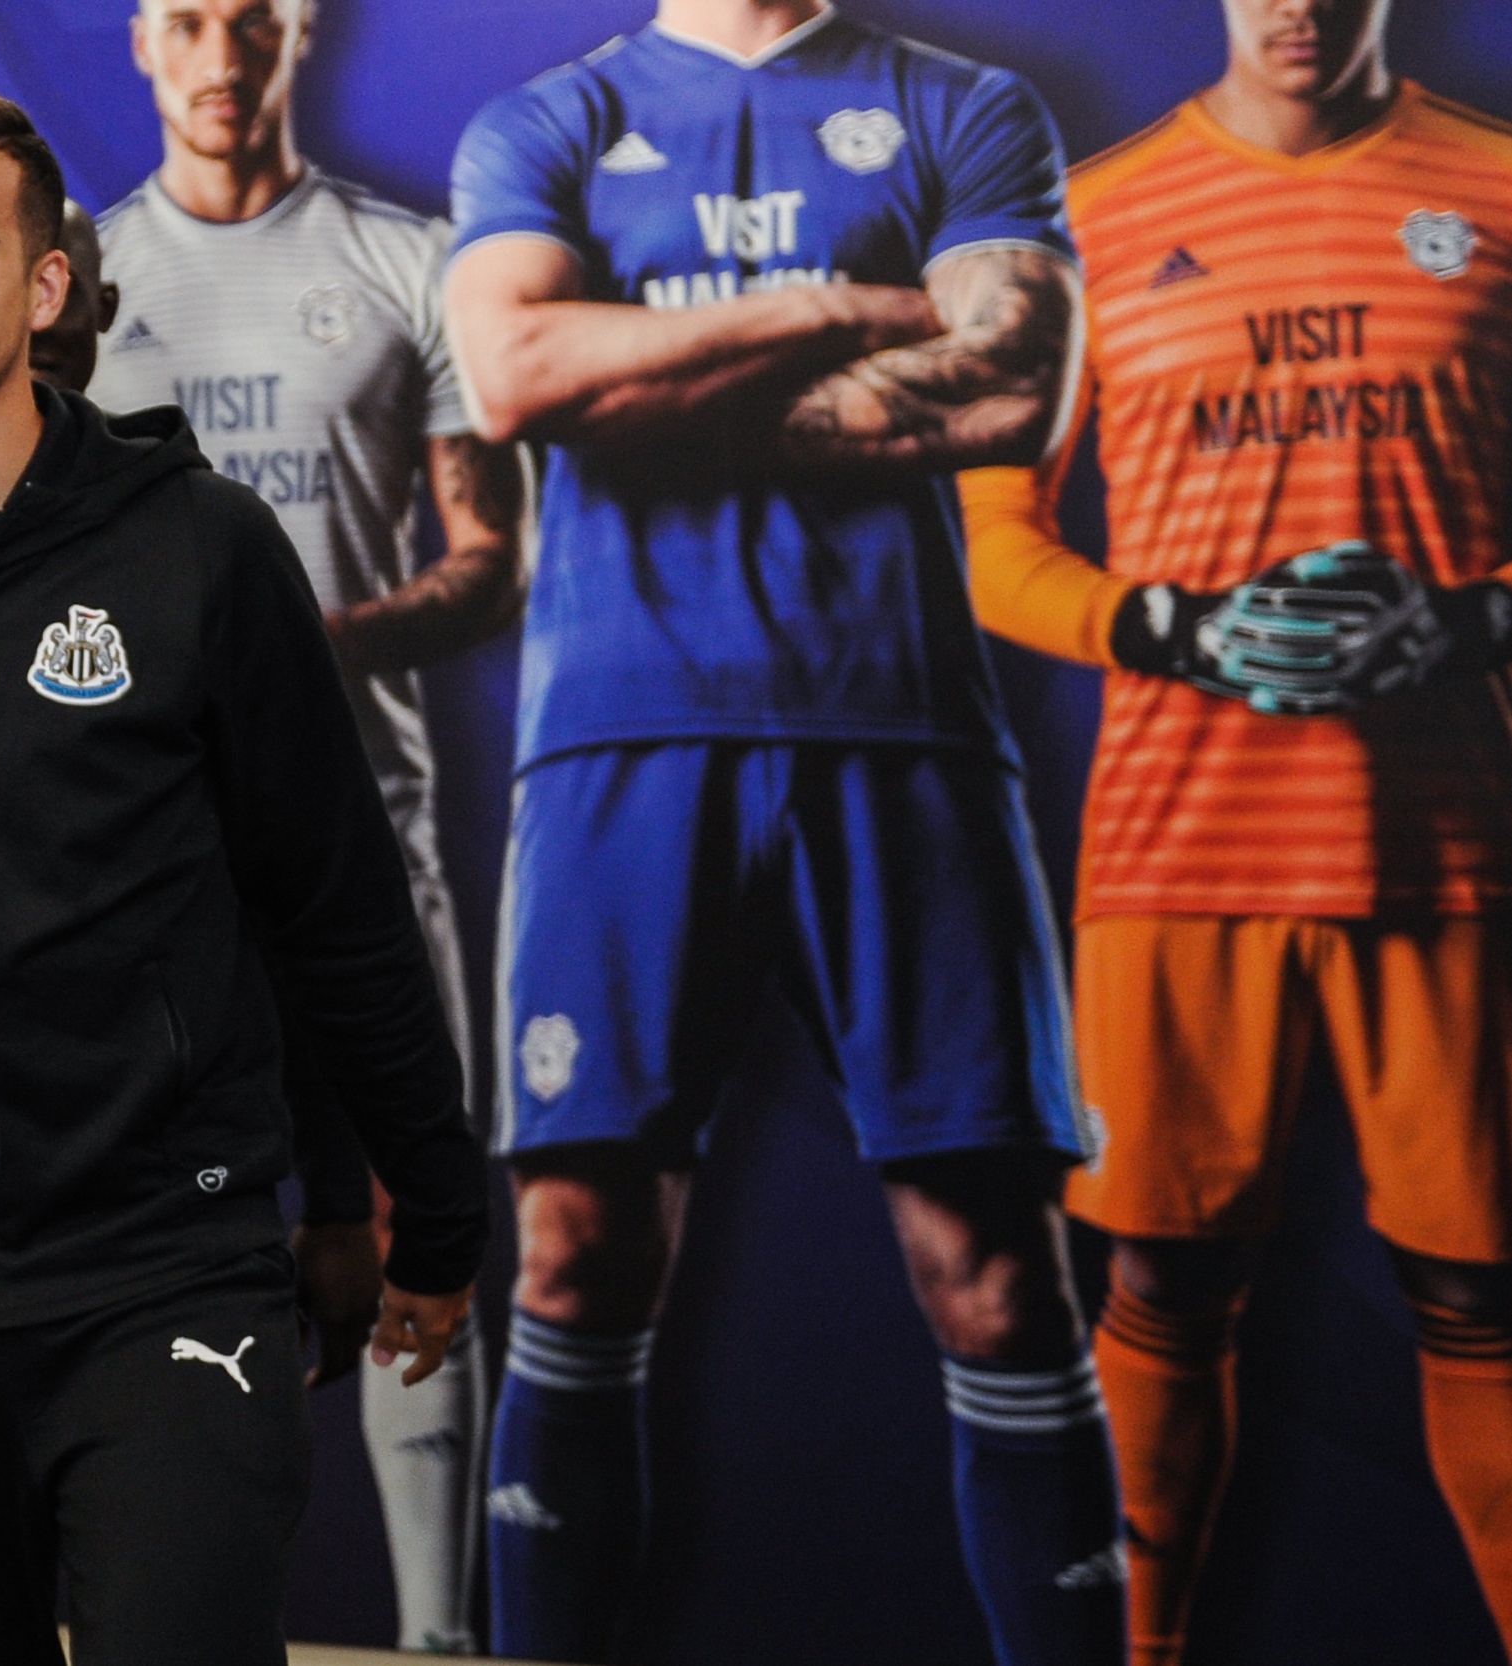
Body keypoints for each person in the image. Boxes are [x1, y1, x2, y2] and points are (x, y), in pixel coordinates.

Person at [444, 1, 1124, 1661]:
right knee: (573, 1255)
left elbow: (1013, 395)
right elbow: (517, 373)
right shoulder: (542, 122)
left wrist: (653, 377)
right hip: (620, 732)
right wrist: (843, 305)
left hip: (901, 729)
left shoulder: (966, 108)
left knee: (999, 1272)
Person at [0, 83, 488, 1666]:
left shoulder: (194, 548)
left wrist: (427, 1209)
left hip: (157, 1269)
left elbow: (328, 905)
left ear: (46, 286)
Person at [958, 0, 1512, 1655]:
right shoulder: (1090, 217)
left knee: (1481, 1299)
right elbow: (988, 539)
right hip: (1175, 846)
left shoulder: (1493, 192)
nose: (1295, 5)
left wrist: (1470, 625)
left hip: (1448, 848)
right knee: (1163, 1284)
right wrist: (1176, 631)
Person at [89, 3, 532, 1646]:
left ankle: (430, 1634)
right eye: (190, 18)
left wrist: (305, 646)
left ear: (300, 36)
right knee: (146, 1249)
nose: (223, 50)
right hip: (136, 869)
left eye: (254, 18)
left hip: (366, 837)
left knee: (418, 1232)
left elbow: (492, 558)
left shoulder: (409, 261)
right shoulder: (79, 270)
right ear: (144, 41)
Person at [28, 200, 121, 391]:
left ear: (105, 308)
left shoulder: (168, 421)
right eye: (13, 294)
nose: (38, 322)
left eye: (63, 292)